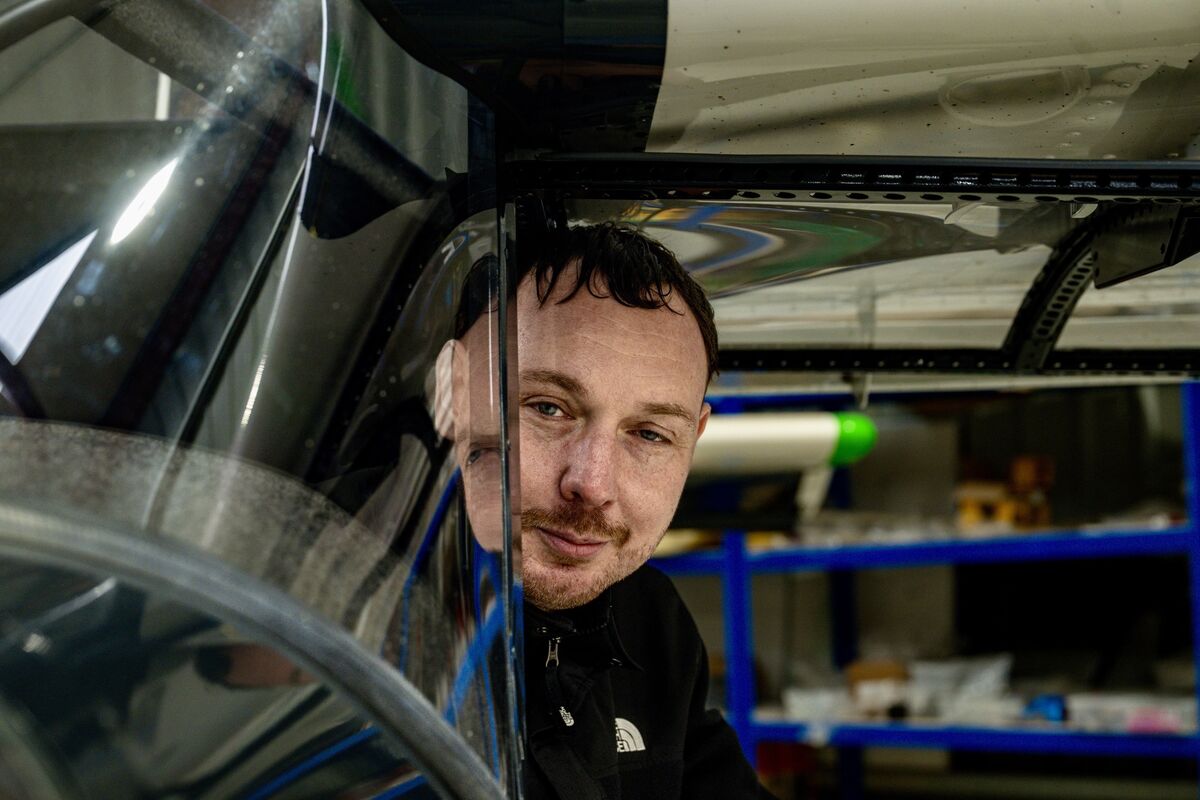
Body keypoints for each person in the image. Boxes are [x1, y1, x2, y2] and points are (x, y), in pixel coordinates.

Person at [446, 223, 775, 799]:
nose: (592, 485)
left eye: (649, 434)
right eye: (548, 408)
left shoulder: (649, 620)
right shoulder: (347, 617)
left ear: (694, 439)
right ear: (450, 394)